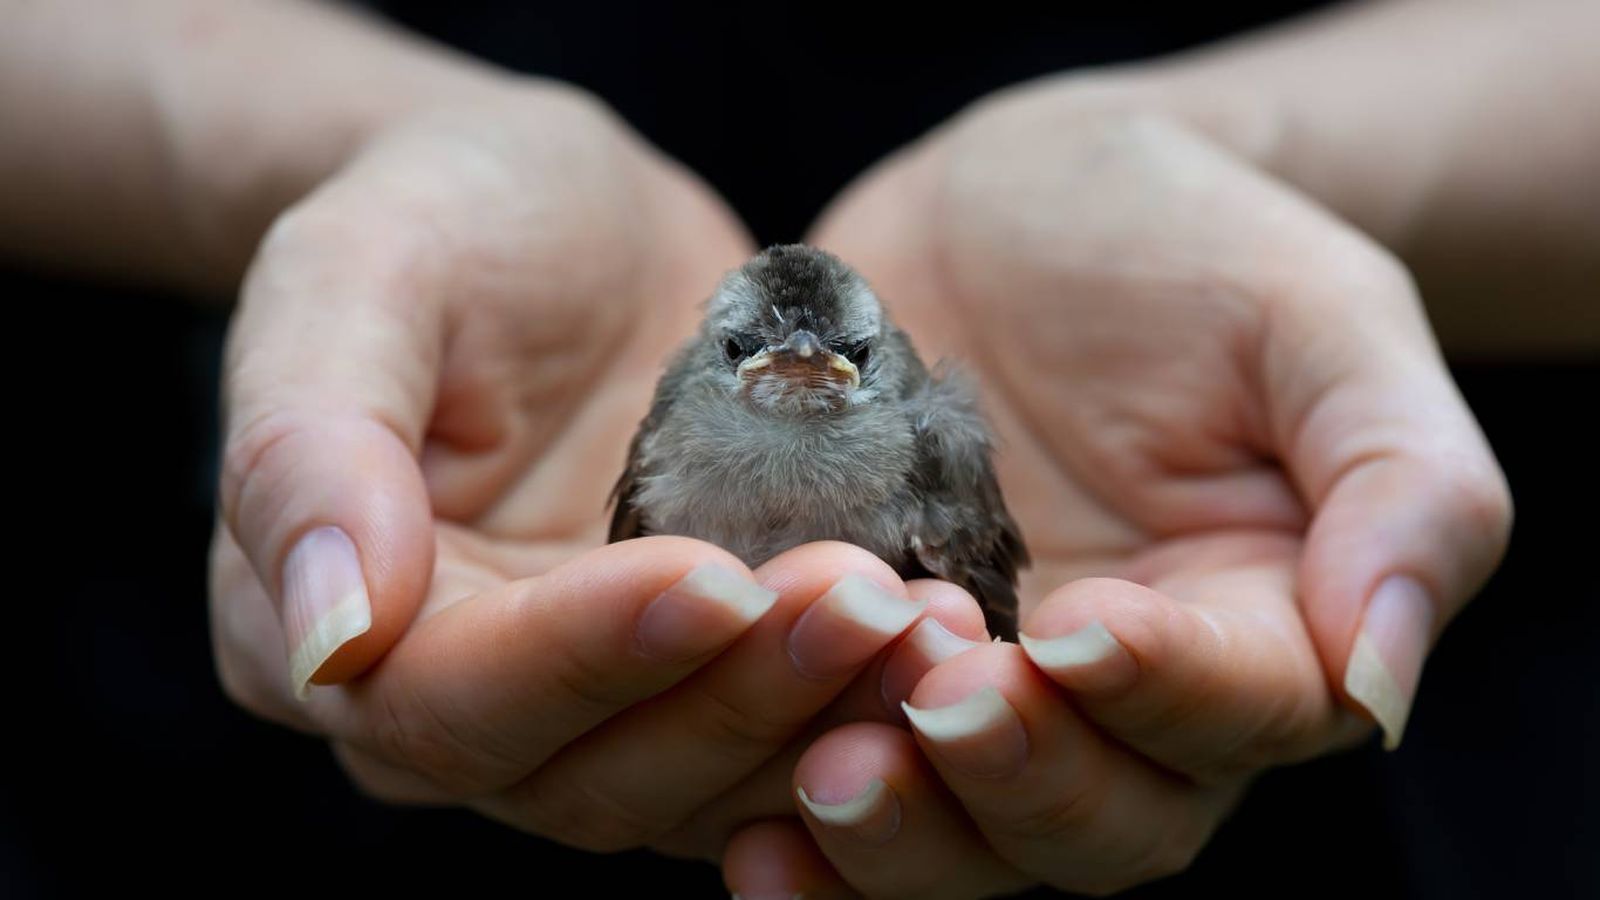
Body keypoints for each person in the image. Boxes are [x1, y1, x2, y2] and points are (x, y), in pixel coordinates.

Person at [3, 1, 1591, 896]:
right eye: (752, 354)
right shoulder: (672, 445)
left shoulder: (925, 458)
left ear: (881, 361)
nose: (807, 373)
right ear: (711, 364)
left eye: (845, 354)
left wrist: (1259, 158)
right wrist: (335, 156)